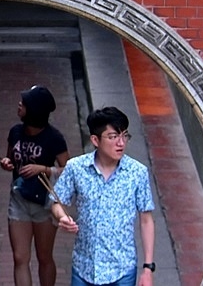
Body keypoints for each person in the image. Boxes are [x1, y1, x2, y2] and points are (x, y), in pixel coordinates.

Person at [51, 107, 155, 286]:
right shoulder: (76, 168)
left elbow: (146, 220)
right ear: (95, 140)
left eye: (125, 136)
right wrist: (62, 217)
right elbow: (56, 201)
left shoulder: (137, 173)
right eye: (113, 137)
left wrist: (147, 268)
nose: (121, 143)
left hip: (122, 269)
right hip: (84, 268)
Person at [0, 85, 70, 286]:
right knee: (20, 258)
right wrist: (6, 163)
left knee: (44, 257)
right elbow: (11, 159)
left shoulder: (54, 138)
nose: (19, 104)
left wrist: (45, 169)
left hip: (45, 203)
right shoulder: (15, 132)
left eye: (25, 102)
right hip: (19, 200)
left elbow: (68, 169)